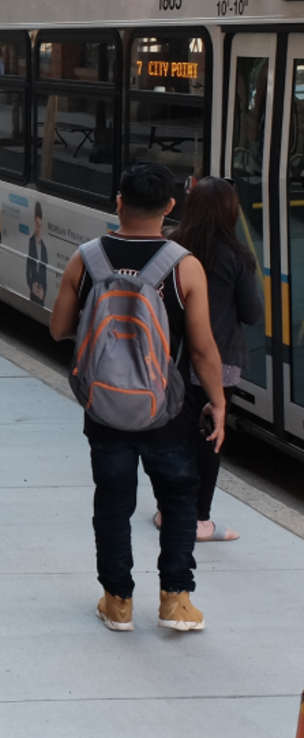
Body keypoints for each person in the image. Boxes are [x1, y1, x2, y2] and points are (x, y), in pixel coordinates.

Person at [49, 162, 226, 633]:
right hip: (168, 409)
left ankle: (117, 601)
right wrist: (218, 403)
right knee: (179, 500)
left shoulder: (85, 258)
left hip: (104, 407)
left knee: (112, 501)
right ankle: (175, 601)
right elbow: (204, 346)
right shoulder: (184, 265)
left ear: (119, 201)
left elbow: (59, 328)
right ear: (170, 207)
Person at [155, 176, 263, 542]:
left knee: (173, 435)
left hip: (171, 358)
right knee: (208, 438)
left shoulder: (170, 246)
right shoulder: (237, 257)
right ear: (230, 211)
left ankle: (167, 511)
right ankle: (199, 520)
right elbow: (251, 314)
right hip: (218, 361)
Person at [27, 200, 49, 306]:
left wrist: (43, 292)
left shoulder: (44, 248)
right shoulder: (31, 242)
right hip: (32, 294)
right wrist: (32, 287)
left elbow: (45, 275)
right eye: (37, 225)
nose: (38, 230)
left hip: (41, 298)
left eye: (40, 226)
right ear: (34, 221)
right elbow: (28, 270)